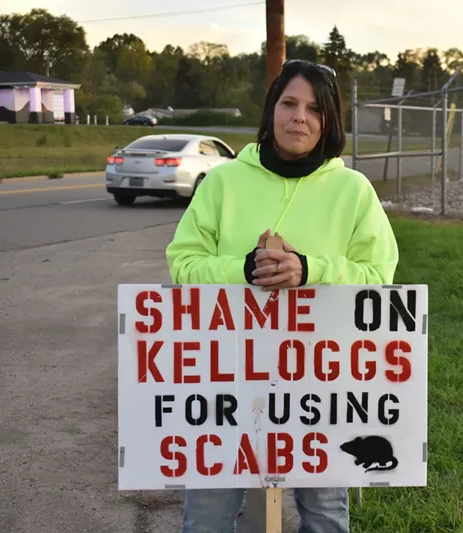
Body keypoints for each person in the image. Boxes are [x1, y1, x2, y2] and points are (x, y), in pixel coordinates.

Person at [165, 59, 400, 533]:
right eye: (289, 103)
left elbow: (379, 277)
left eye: (314, 109)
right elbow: (182, 266)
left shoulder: (353, 191)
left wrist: (310, 269)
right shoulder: (225, 182)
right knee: (206, 519)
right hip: (225, 375)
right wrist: (244, 270)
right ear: (271, 109)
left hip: (322, 380)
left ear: (329, 120)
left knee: (326, 518)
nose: (300, 117)